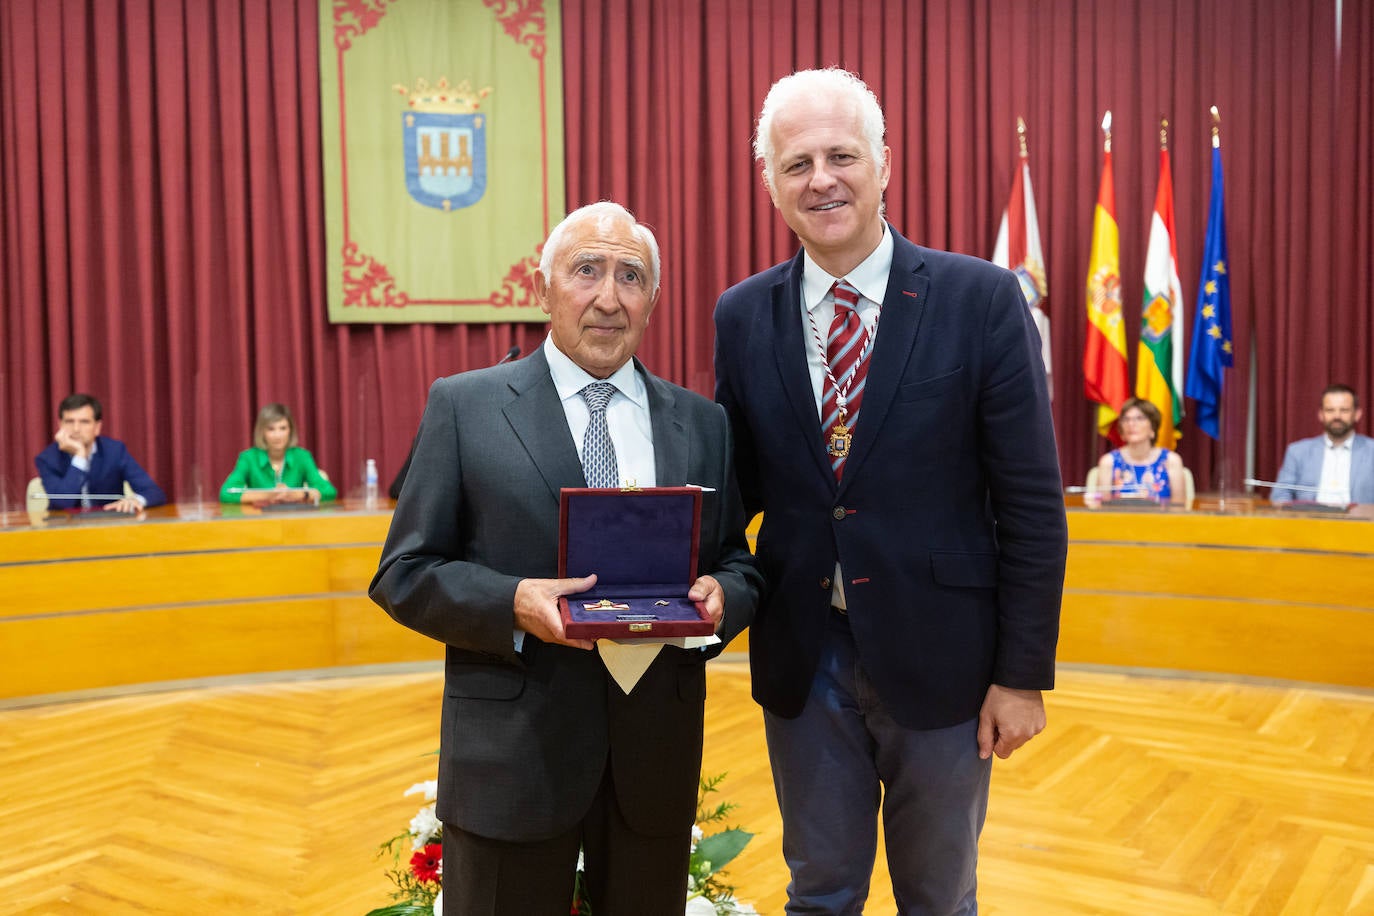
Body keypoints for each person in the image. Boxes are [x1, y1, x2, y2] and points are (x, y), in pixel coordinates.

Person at [713, 68, 1067, 914]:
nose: (821, 179)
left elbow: (1030, 505)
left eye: (842, 156)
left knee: (938, 898)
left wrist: (1022, 676)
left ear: (884, 163)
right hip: (805, 659)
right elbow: (735, 492)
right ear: (769, 182)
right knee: (820, 891)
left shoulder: (981, 299)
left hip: (946, 661)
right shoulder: (740, 314)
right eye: (795, 164)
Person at [370, 201, 760, 915]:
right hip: (513, 760)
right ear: (543, 288)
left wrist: (724, 595)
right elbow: (403, 573)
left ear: (653, 299)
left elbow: (739, 558)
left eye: (631, 277)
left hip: (653, 765)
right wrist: (513, 601)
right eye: (587, 271)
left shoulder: (703, 423)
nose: (609, 297)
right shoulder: (466, 407)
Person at [34, 393, 166, 513]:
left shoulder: (115, 451)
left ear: (97, 427)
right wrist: (80, 457)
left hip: (108, 527)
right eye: (69, 422)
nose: (76, 429)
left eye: (84, 422)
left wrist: (136, 500)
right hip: (63, 531)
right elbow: (62, 503)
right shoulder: (48, 459)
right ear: (60, 425)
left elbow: (154, 492)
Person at [1271, 384, 1374, 505]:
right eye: (1330, 410)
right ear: (1321, 414)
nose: (1337, 416)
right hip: (1309, 521)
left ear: (1357, 414)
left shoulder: (1371, 451)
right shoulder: (1298, 452)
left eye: (1344, 410)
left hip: (1361, 522)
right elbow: (1280, 495)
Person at [219, 403, 337, 505]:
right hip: (259, 521)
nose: (277, 435)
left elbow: (329, 492)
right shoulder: (248, 458)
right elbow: (226, 493)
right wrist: (269, 495)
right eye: (271, 429)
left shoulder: (302, 457)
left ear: (290, 430)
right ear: (262, 432)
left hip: (295, 520)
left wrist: (300, 494)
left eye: (283, 428)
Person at [1091, 397, 1186, 506]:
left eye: (1139, 418)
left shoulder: (1171, 461)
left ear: (1152, 428)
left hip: (1160, 522)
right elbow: (1102, 509)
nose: (1131, 424)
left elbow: (1179, 508)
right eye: (1126, 419)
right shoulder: (1108, 461)